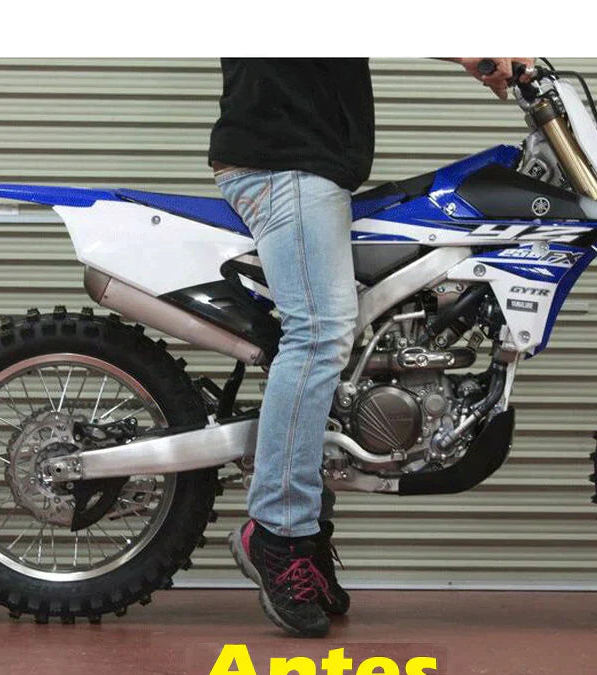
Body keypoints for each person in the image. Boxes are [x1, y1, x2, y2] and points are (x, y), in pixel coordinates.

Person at [211, 57, 535, 637]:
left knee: (344, 341)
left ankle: (305, 532)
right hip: (281, 163)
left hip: (304, 163)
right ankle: (276, 532)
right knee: (319, 332)